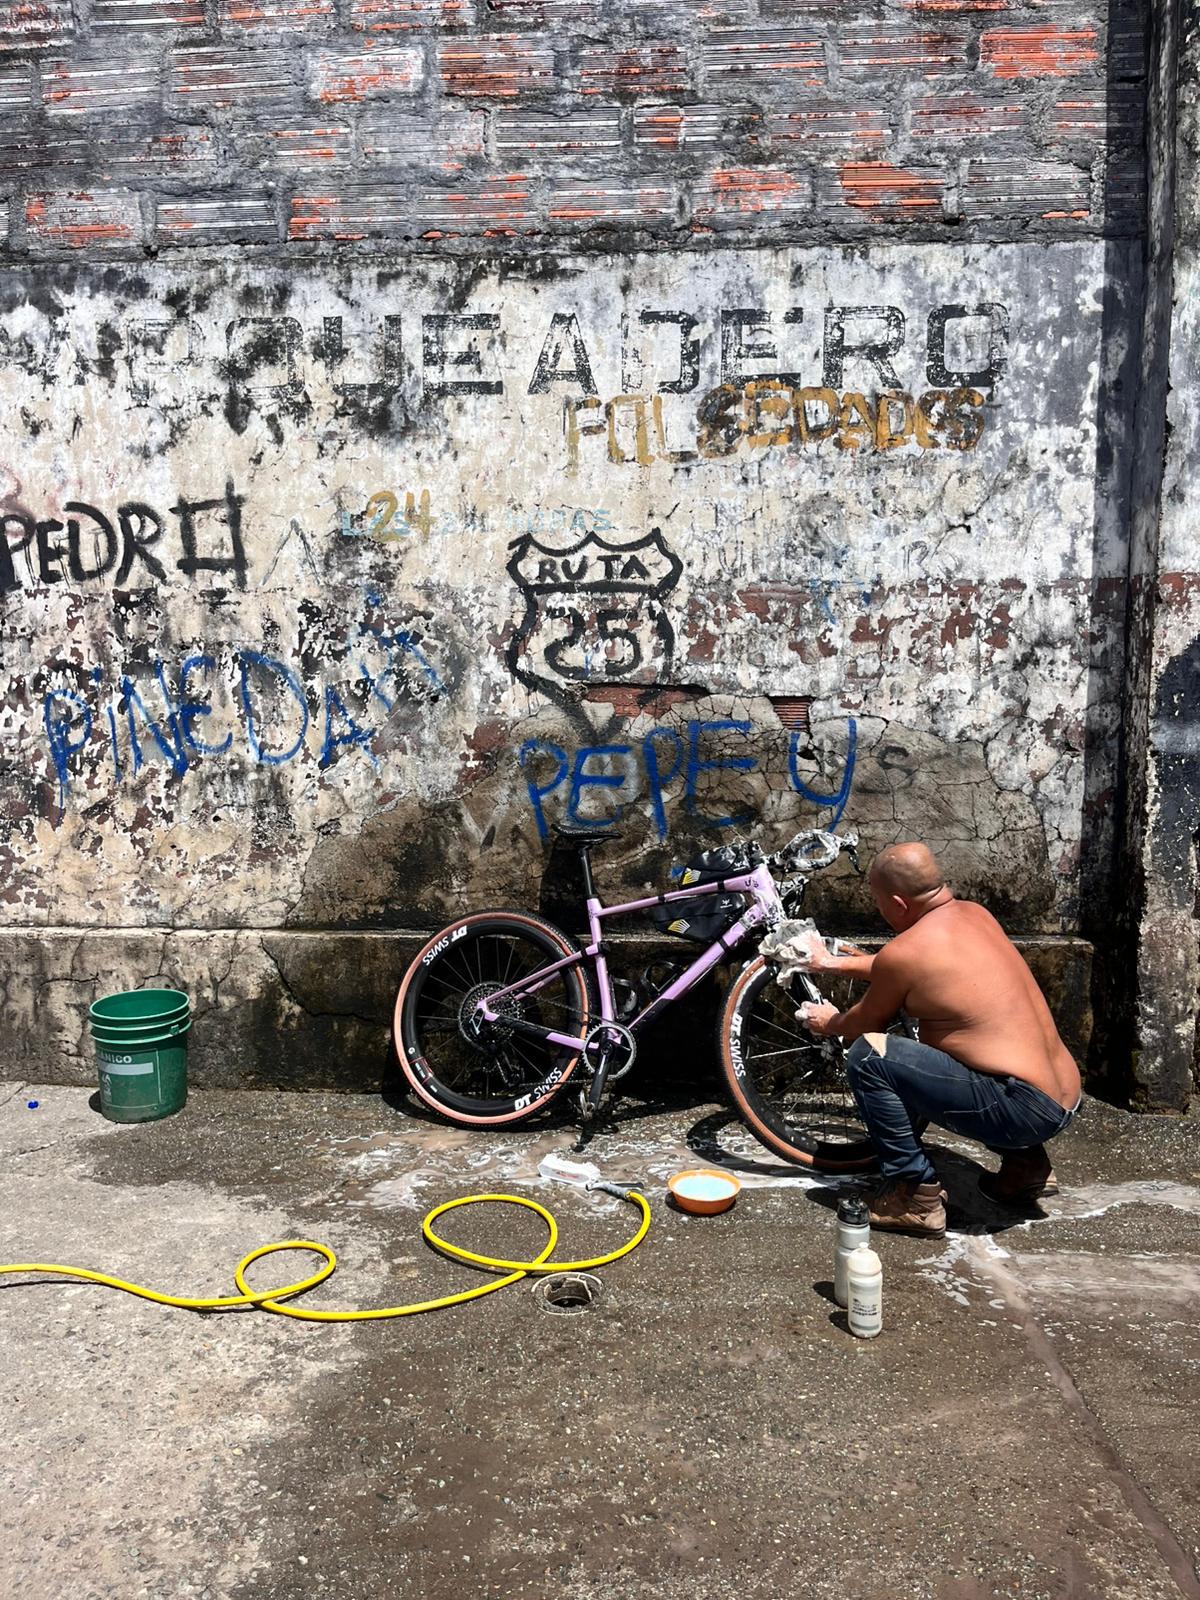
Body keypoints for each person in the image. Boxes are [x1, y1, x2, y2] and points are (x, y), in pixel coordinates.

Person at [797, 841, 1082, 1239]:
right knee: (972, 1052)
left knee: (869, 1055)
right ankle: (1027, 1168)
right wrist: (831, 963)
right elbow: (903, 966)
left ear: (898, 903)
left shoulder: (907, 952)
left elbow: (863, 1021)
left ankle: (914, 1196)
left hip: (1020, 1110)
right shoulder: (974, 914)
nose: (879, 909)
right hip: (1063, 1096)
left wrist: (830, 1022)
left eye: (878, 901)